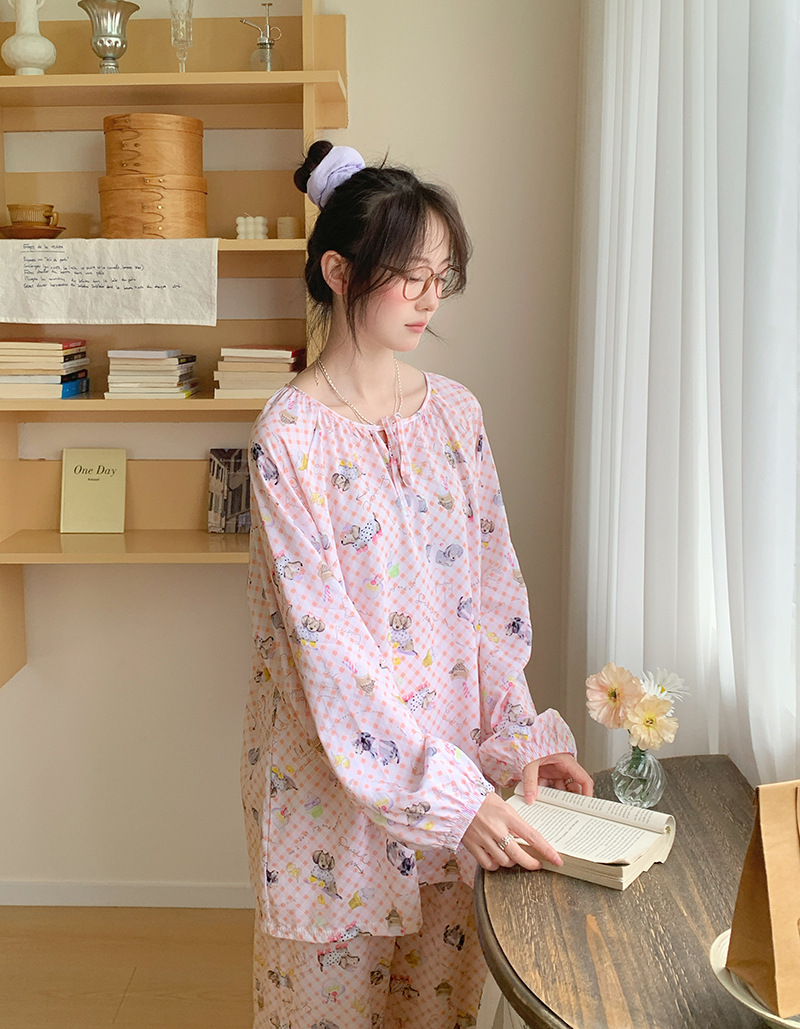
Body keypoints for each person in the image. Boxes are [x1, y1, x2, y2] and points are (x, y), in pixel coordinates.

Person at [242, 141, 593, 1029]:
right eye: (410, 275)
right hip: (331, 802)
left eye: (443, 276)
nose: (431, 297)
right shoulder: (288, 439)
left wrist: (517, 746)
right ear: (339, 271)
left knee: (438, 1014)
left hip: (459, 791)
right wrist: (453, 797)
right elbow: (326, 652)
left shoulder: (457, 416)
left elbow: (493, 603)